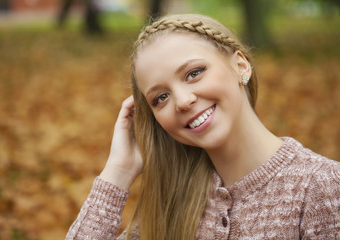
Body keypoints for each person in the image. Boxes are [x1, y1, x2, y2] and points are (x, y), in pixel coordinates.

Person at [65, 14, 340, 239]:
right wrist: (118, 173)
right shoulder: (172, 203)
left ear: (240, 65)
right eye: (161, 97)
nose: (183, 101)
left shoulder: (321, 187)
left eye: (194, 73)